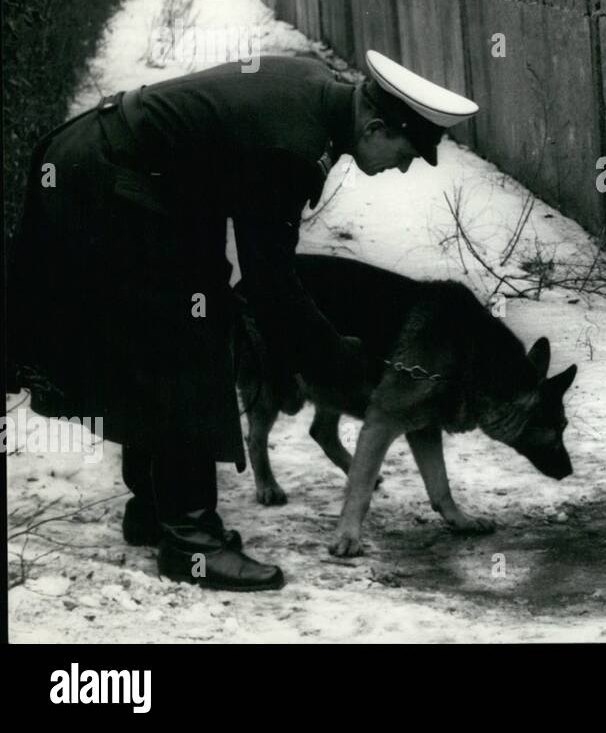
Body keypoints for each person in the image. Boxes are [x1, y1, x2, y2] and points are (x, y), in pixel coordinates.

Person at [6, 50, 477, 592]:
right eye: (406, 153)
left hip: (115, 166)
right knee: (188, 338)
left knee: (180, 321)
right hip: (104, 179)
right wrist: (337, 357)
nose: (403, 166)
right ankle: (190, 540)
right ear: (374, 125)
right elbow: (271, 284)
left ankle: (155, 509)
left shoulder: (316, 92)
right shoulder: (293, 146)